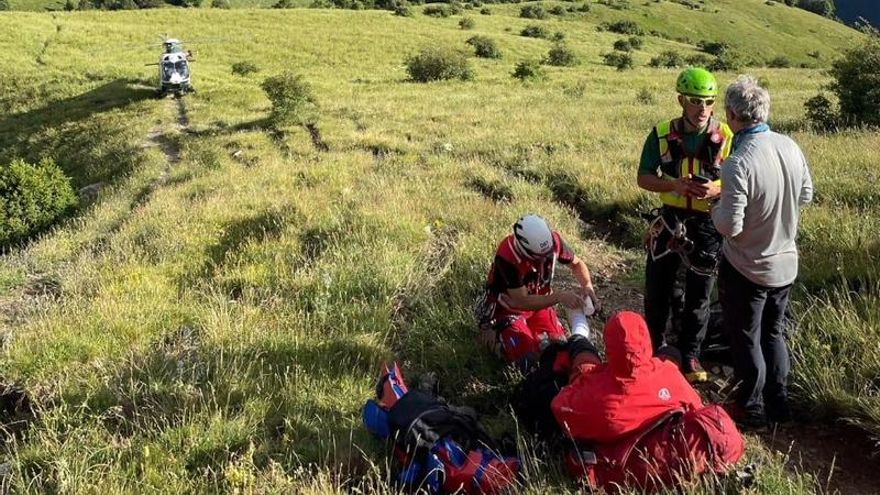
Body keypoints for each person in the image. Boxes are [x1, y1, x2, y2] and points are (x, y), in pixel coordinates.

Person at [711, 75, 813, 427]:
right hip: (786, 261)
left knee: (745, 337)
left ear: (732, 115)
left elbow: (729, 226)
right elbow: (805, 195)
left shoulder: (738, 162)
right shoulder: (790, 145)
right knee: (774, 333)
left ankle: (751, 409)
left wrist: (714, 206)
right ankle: (779, 404)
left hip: (747, 266)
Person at [550, 312, 744, 491]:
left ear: (609, 350)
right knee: (670, 352)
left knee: (580, 359)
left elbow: (560, 407)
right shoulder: (669, 372)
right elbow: (696, 407)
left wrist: (587, 371)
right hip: (672, 450)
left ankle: (579, 335)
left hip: (631, 467)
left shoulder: (599, 398)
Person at [636, 67, 734, 382]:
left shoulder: (727, 136)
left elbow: (743, 179)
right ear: (681, 100)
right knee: (657, 289)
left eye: (708, 101)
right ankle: (654, 347)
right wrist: (672, 186)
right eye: (695, 101)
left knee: (700, 294)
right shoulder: (661, 133)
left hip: (708, 222)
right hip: (669, 219)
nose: (702, 108)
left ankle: (691, 355)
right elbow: (644, 177)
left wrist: (717, 189)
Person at [474, 214, 597, 368]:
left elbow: (577, 264)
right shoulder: (508, 256)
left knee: (559, 348)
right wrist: (558, 296)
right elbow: (521, 301)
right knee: (527, 359)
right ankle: (495, 338)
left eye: (548, 254)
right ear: (523, 248)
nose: (545, 259)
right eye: (538, 257)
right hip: (509, 309)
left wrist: (587, 286)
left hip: (540, 304)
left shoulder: (554, 242)